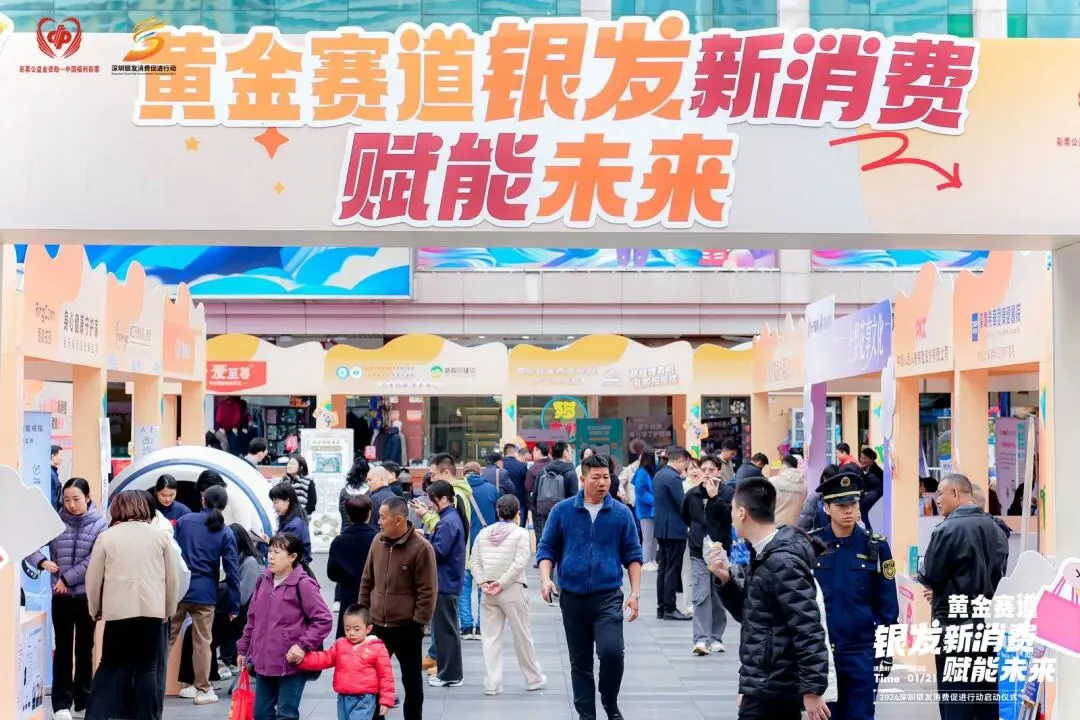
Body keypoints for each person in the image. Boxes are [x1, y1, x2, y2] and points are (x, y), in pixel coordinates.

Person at [707, 478, 830, 720]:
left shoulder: (782, 561)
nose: (731, 517)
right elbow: (752, 614)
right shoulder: (763, 554)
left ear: (742, 513)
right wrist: (726, 580)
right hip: (764, 684)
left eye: (732, 509)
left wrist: (812, 689)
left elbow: (807, 627)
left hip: (775, 687)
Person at [536, 453, 643, 720]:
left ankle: (609, 701)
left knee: (612, 653)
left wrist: (635, 593)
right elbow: (546, 549)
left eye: (606, 477)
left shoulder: (621, 513)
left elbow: (633, 554)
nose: (602, 483)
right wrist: (546, 578)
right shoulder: (562, 511)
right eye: (596, 477)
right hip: (572, 597)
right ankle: (586, 716)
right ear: (582, 480)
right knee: (580, 663)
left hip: (608, 596)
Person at [919, 473, 1009, 720]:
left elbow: (929, 575)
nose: (937, 499)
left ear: (955, 493)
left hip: (953, 629)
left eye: (940, 493)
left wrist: (940, 589)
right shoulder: (998, 529)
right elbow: (999, 576)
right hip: (987, 628)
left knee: (956, 703)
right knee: (985, 702)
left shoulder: (946, 529)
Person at [84, 490, 181, 720]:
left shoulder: (107, 537)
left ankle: (95, 716)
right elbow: (172, 578)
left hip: (118, 612)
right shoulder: (160, 537)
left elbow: (93, 578)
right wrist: (168, 609)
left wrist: (95, 608)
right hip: (151, 612)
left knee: (109, 666)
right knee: (148, 667)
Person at [810, 472, 899, 719]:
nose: (849, 510)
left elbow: (888, 608)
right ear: (827, 508)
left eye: (853, 503)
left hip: (862, 652)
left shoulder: (876, 546)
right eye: (841, 505)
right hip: (822, 654)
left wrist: (886, 651)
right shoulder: (811, 545)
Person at [25, 477, 108, 720]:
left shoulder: (100, 524)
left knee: (85, 649)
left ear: (88, 498)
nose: (71, 504)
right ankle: (61, 704)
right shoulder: (55, 522)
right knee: (62, 649)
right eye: (67, 500)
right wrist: (42, 561)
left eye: (76, 499)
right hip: (60, 597)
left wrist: (66, 578)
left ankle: (83, 701)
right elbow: (29, 544)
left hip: (86, 596)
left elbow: (94, 560)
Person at [237, 533, 333, 720]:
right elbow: (252, 619)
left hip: (291, 663)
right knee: (261, 713)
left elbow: (323, 620)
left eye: (277, 552)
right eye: (270, 551)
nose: (271, 557)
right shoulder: (263, 580)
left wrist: (302, 645)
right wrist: (243, 648)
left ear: (292, 557)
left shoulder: (303, 584)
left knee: (286, 714)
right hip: (263, 661)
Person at [359, 496, 438, 720]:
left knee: (412, 683)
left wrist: (418, 622)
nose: (379, 522)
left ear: (399, 520)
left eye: (383, 517)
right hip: (376, 625)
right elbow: (367, 580)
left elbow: (428, 590)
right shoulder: (377, 541)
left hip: (407, 627)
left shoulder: (421, 548)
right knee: (372, 681)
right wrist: (362, 616)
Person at [171, 485, 241, 704]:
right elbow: (232, 571)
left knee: (167, 639)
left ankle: (152, 684)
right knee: (202, 642)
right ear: (224, 506)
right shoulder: (225, 532)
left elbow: (171, 554)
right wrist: (234, 605)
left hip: (179, 590)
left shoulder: (184, 521)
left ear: (203, 500)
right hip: (206, 594)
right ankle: (203, 690)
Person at [469, 494, 545, 695]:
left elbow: (473, 561)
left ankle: (492, 683)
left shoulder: (483, 534)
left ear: (497, 512)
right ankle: (533, 678)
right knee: (522, 635)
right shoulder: (521, 534)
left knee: (490, 638)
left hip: (488, 592)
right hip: (512, 589)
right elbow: (520, 562)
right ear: (518, 513)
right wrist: (502, 583)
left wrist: (483, 582)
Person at [296, 605, 396, 720]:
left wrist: (386, 700)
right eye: (347, 629)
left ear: (368, 629)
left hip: (364, 699)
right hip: (343, 697)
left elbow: (386, 676)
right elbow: (324, 658)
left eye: (356, 629)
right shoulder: (341, 645)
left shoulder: (377, 648)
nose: (351, 633)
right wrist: (302, 660)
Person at [422, 479, 468, 687]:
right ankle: (448, 672)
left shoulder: (448, 521)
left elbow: (439, 551)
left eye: (431, 500)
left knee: (445, 631)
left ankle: (450, 674)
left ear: (442, 499)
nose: (429, 504)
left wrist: (424, 541)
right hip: (448, 581)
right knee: (446, 630)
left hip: (445, 582)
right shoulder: (450, 518)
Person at [682, 455, 728, 655]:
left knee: (717, 595)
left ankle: (716, 637)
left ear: (719, 471)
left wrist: (715, 498)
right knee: (701, 594)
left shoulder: (727, 492)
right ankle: (701, 639)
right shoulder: (692, 495)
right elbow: (686, 516)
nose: (707, 474)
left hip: (720, 551)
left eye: (711, 470)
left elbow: (729, 517)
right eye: (704, 470)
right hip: (698, 550)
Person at [328, 495, 378, 639]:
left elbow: (332, 573)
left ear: (348, 516)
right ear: (369, 513)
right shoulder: (378, 538)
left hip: (348, 593)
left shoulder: (339, 541)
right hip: (374, 594)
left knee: (348, 636)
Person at [462, 460, 500, 640]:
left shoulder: (458, 491)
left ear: (464, 473)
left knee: (464, 586)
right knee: (483, 585)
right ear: (480, 472)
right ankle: (480, 627)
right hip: (486, 545)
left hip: (464, 545)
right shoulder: (491, 490)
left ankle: (466, 626)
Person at [653, 446, 691, 621]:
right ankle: (669, 607)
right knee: (672, 569)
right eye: (686, 464)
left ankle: (662, 607)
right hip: (674, 529)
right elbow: (682, 503)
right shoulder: (673, 477)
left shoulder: (660, 474)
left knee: (663, 568)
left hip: (662, 527)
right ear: (680, 460)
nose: (685, 468)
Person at [269, 481, 312, 563]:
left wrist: (268, 543)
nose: (274, 506)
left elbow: (284, 552)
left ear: (287, 500)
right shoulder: (292, 520)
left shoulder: (294, 526)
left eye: (276, 502)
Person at [631, 448, 658, 570]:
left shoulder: (648, 471)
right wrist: (654, 500)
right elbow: (640, 491)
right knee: (648, 538)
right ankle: (646, 561)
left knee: (653, 537)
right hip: (646, 510)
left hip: (651, 509)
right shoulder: (642, 472)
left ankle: (652, 560)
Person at [798, 464, 842, 532]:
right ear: (824, 478)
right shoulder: (815, 497)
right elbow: (804, 524)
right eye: (831, 480)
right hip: (817, 537)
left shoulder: (843, 497)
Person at [524, 442, 553, 539]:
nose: (532, 453)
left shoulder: (533, 469)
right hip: (555, 503)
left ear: (538, 451)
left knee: (540, 532)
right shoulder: (554, 465)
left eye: (534, 451)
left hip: (538, 506)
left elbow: (528, 487)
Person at [771, 454, 807, 527]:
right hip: (794, 527)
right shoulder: (804, 485)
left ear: (783, 467)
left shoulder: (773, 481)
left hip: (775, 527)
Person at [501, 442, 530, 527]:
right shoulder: (522, 466)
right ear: (515, 452)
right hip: (519, 503)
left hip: (502, 503)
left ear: (504, 453)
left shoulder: (500, 466)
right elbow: (527, 485)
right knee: (520, 528)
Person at [339, 457, 371, 530]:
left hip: (346, 531)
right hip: (364, 531)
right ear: (367, 473)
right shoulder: (370, 492)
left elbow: (341, 511)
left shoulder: (343, 491)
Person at [365, 466, 398, 530]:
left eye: (370, 480)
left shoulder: (373, 499)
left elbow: (372, 526)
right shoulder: (396, 497)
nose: (368, 483)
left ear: (381, 479)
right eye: (367, 481)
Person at [858, 448, 884, 529]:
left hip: (877, 494)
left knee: (863, 508)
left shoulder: (877, 471)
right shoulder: (865, 468)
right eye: (861, 457)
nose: (862, 460)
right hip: (870, 493)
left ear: (872, 458)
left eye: (864, 458)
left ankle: (869, 530)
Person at [50, 444, 63, 511]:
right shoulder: (51, 474)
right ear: (53, 456)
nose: (62, 458)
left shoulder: (54, 472)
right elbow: (53, 497)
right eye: (61, 455)